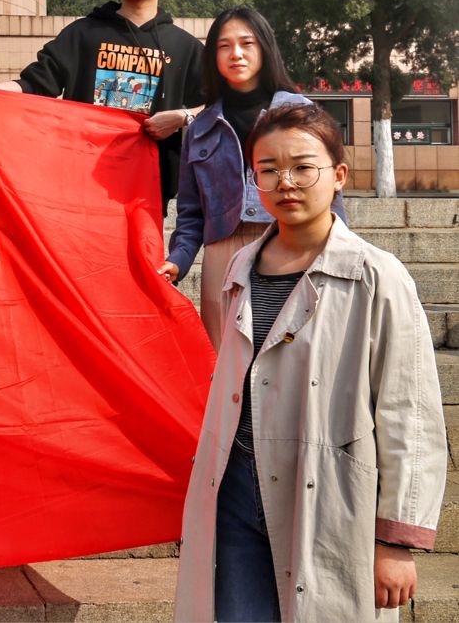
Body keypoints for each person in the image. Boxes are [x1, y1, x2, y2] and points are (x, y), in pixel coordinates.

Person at [174, 103, 446, 622]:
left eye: (303, 167)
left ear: (338, 175)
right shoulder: (241, 266)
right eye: (268, 169)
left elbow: (409, 412)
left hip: (327, 490)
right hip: (235, 489)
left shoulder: (376, 275)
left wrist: (396, 540)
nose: (286, 182)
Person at [157, 7, 345, 348]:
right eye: (224, 46)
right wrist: (178, 261)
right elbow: (191, 213)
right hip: (222, 255)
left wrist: (341, 250)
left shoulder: (302, 113)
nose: (236, 54)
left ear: (265, 48)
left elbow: (329, 194)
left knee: (291, 352)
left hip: (290, 240)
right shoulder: (200, 127)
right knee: (226, 357)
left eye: (247, 43)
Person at [0, 0, 204, 209]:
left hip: (146, 194)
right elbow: (34, 84)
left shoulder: (184, 47)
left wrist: (183, 117)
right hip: (79, 185)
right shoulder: (83, 34)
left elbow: (221, 104)